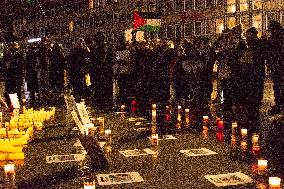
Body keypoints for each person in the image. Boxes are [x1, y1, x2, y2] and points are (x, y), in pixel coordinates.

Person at [266, 21, 284, 115]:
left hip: (278, 65)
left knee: (278, 86)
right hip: (277, 65)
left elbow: (271, 52)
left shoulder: (276, 38)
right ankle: (279, 104)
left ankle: (279, 104)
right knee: (278, 86)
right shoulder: (275, 37)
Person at [2, 42, 24, 110]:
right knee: (10, 90)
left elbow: (21, 65)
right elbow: (4, 65)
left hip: (15, 75)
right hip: (10, 75)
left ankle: (15, 104)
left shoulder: (18, 55)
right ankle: (11, 104)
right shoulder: (8, 55)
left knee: (16, 90)